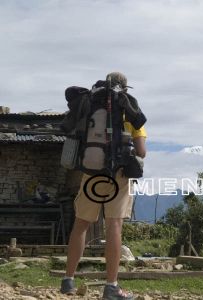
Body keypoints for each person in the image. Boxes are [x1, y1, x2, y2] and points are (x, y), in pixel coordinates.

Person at [60, 72, 146, 300]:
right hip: (118, 176)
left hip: (91, 173)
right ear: (125, 88)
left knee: (81, 225)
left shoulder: (90, 103)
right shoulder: (127, 108)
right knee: (114, 225)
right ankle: (111, 287)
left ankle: (68, 280)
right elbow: (141, 151)